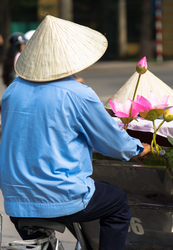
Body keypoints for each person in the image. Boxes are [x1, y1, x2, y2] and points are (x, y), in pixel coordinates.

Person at [0, 15, 151, 250]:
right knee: (118, 204)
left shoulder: (13, 90)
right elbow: (115, 145)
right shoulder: (78, 93)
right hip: (62, 196)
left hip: (16, 201)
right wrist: (139, 149)